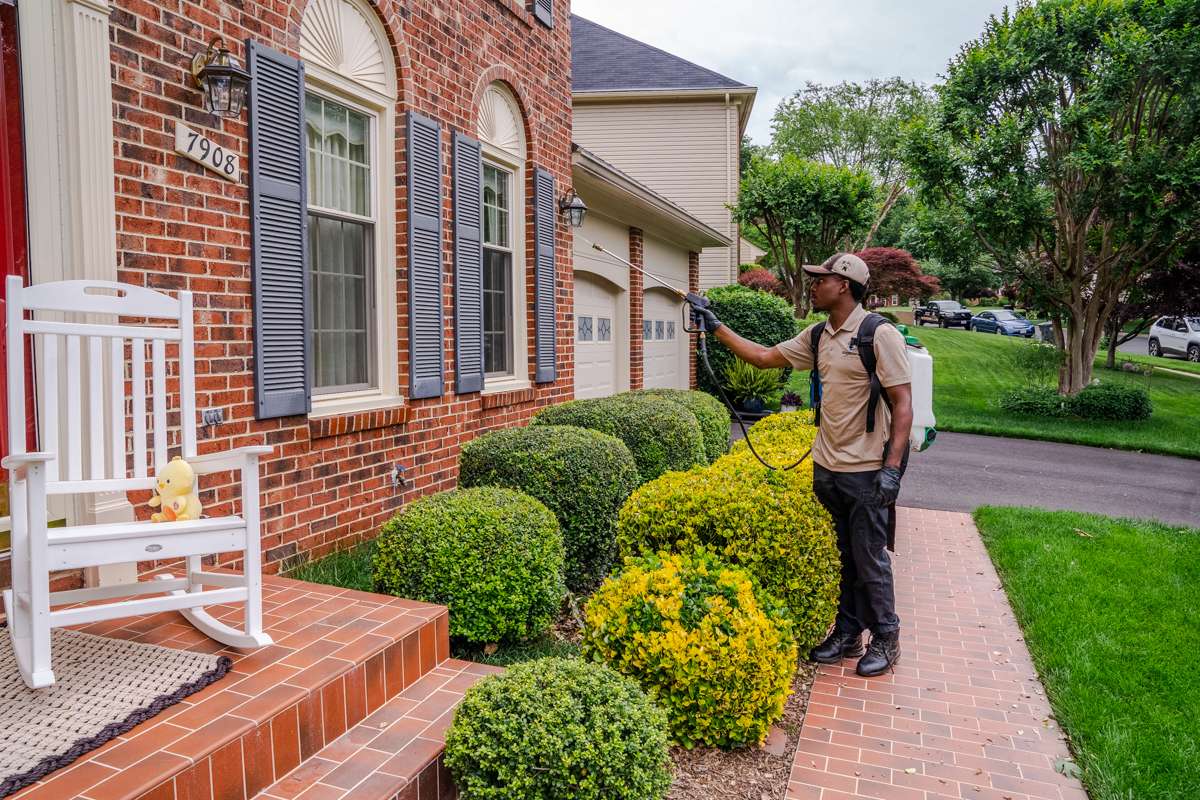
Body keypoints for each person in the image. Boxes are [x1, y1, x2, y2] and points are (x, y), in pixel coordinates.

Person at [688, 253, 913, 677]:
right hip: (827, 466)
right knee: (845, 554)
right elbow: (761, 357)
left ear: (844, 285)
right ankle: (849, 632)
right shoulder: (819, 335)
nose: (813, 286)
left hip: (867, 468)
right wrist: (714, 325)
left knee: (870, 557)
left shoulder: (877, 334)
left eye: (820, 280)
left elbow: (903, 404)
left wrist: (892, 469)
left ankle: (887, 635)